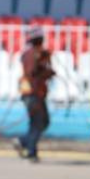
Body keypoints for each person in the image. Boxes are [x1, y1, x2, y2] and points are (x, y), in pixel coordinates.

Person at [15, 25, 55, 162]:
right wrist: (46, 71)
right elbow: (32, 72)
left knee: (42, 122)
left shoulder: (36, 53)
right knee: (38, 122)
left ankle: (24, 142)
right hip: (32, 93)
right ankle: (30, 150)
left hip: (36, 93)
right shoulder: (32, 54)